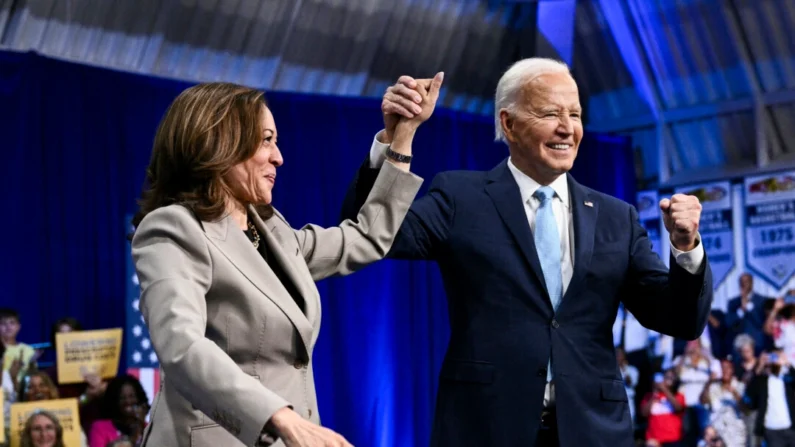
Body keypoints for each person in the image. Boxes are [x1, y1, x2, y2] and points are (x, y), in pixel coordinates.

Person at [341, 57, 712, 446]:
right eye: (550, 113)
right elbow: (371, 234)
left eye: (574, 113)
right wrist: (396, 139)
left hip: (592, 431)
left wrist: (686, 247)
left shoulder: (617, 219)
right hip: (486, 428)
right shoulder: (460, 196)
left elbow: (681, 320)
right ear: (509, 124)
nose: (567, 127)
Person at [130, 79, 440, 447]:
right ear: (219, 141)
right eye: (266, 140)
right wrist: (279, 417)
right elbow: (181, 346)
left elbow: (366, 238)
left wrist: (401, 136)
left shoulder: (275, 234)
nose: (279, 157)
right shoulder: (174, 228)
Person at [88, 375, 149, 447]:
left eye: (132, 396)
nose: (128, 401)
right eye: (122, 398)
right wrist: (134, 435)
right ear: (114, 401)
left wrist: (140, 425)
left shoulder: (149, 428)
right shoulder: (100, 428)